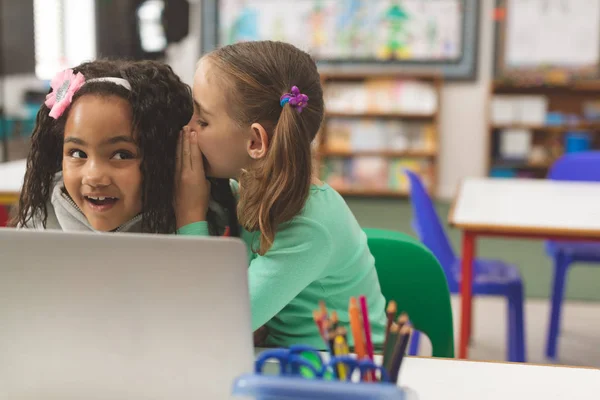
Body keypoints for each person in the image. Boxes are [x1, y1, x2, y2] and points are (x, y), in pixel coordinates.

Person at [176, 40, 386, 348]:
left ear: (256, 142)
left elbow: (215, 324)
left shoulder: (308, 225)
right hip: (282, 355)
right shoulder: (249, 186)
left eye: (202, 120)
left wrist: (190, 215)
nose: (188, 129)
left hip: (342, 370)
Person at [12, 59, 237, 235]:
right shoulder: (38, 224)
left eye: (121, 155)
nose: (94, 177)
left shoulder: (207, 223)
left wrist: (190, 220)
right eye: (77, 153)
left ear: (167, 158)